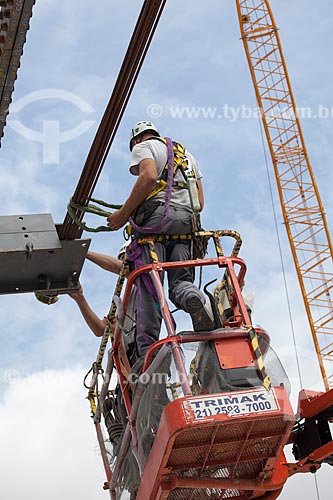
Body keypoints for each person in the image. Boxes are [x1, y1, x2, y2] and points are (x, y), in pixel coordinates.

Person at [107, 120, 214, 359]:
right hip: (187, 225)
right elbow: (200, 202)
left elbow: (148, 177)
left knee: (150, 288)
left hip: (156, 223)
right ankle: (193, 297)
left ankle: (149, 355)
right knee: (180, 283)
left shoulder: (143, 147)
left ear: (136, 140)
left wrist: (122, 215)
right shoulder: (187, 155)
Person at [69, 244, 137, 364]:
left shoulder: (147, 282)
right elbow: (100, 330)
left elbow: (124, 269)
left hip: (141, 353)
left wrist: (84, 253)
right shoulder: (125, 299)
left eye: (126, 259)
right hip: (129, 360)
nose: (123, 262)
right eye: (121, 259)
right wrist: (79, 298)